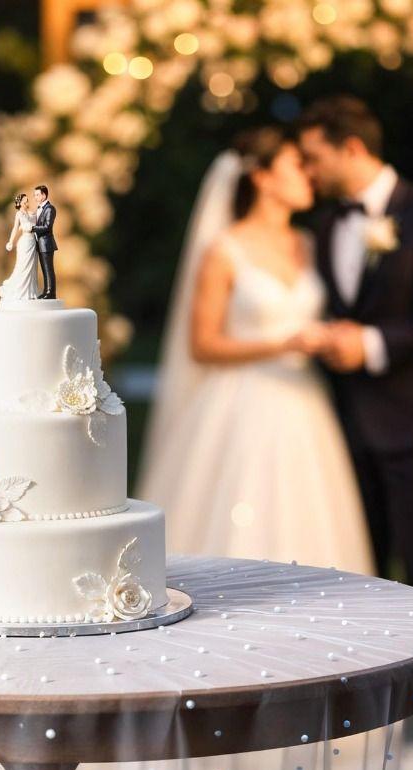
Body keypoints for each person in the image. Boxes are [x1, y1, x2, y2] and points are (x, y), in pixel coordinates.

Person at [138, 127, 374, 574]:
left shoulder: (308, 244)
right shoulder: (223, 250)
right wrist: (281, 343)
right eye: (296, 165)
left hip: (305, 400)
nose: (308, 174)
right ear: (262, 177)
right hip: (241, 400)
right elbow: (202, 345)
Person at [297, 96, 413, 598]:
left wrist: (373, 344)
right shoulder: (326, 225)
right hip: (346, 426)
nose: (308, 170)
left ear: (352, 148)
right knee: (361, 573)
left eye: (314, 157)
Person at [0, 192, 40, 303]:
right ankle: (19, 291)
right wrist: (10, 241)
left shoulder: (31, 213)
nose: (26, 202)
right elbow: (15, 228)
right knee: (22, 266)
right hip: (25, 242)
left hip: (33, 242)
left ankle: (31, 292)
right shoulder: (19, 214)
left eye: (27, 201)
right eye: (24, 201)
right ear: (20, 203)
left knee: (32, 267)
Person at [32, 184, 58, 299]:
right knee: (44, 269)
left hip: (46, 243)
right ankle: (46, 291)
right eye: (34, 195)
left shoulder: (50, 209)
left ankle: (50, 292)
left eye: (37, 195)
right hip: (41, 244)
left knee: (48, 269)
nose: (35, 197)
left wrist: (33, 228)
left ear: (44, 195)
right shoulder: (39, 209)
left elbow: (47, 226)